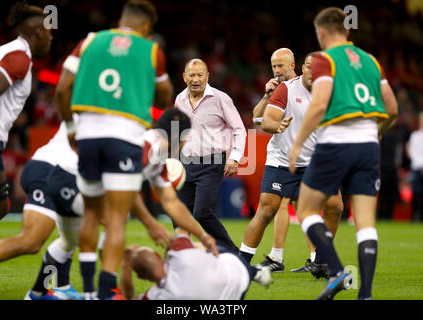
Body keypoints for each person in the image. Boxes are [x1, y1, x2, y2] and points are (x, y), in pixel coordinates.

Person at [25, 109, 218, 300]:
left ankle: (36, 294)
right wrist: (150, 224)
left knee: (69, 241)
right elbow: (127, 191)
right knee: (115, 222)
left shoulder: (158, 156)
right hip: (70, 179)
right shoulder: (144, 147)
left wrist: (202, 235)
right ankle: (102, 293)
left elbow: (172, 203)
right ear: (182, 137)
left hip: (72, 179)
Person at [56, 0, 174, 300]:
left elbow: (61, 89)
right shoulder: (150, 50)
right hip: (125, 137)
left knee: (92, 215)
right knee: (117, 218)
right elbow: (164, 97)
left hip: (88, 137)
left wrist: (71, 129)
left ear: (121, 19)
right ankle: (107, 293)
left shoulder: (90, 40)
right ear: (146, 27)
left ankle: (88, 290)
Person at [288, 7, 398, 300]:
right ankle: (365, 294)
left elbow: (321, 102)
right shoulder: (371, 60)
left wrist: (297, 143)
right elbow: (392, 108)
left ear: (321, 33)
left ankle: (337, 273)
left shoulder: (325, 59)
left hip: (335, 142)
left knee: (307, 210)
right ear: (346, 31)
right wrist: (376, 133)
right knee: (365, 222)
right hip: (368, 145)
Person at [240, 53, 343, 278]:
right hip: (283, 161)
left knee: (335, 206)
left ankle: (320, 261)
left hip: (316, 163)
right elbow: (263, 120)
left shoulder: (332, 93)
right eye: (308, 67)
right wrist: (275, 126)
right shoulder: (286, 89)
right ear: (303, 68)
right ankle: (241, 263)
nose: (311, 72)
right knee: (267, 209)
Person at [0, 120, 82, 300]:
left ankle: (56, 286)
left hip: (70, 175)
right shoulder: (98, 106)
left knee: (73, 234)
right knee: (31, 241)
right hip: (50, 170)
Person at [0, 2, 52, 241]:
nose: (51, 38)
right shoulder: (18, 57)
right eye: (49, 32)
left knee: (0, 204)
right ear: (38, 32)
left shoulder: (8, 52)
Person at [175, 58, 246, 253]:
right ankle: (183, 254)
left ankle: (233, 252)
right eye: (191, 75)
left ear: (207, 76)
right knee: (179, 213)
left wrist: (234, 157)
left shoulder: (220, 98)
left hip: (212, 162)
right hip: (185, 162)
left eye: (199, 75)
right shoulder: (179, 99)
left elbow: (239, 129)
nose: (195, 79)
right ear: (184, 77)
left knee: (202, 212)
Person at [119, 228, 272, 300]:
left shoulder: (156, 296)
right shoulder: (178, 253)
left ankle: (256, 271)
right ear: (157, 255)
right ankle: (256, 271)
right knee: (205, 247)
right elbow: (182, 230)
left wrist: (126, 262)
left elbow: (129, 297)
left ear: (140, 276)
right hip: (239, 271)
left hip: (233, 299)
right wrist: (168, 244)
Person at [407, 111, 423, 221]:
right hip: (416, 168)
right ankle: (415, 216)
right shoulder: (414, 135)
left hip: (418, 167)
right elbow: (411, 151)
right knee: (416, 194)